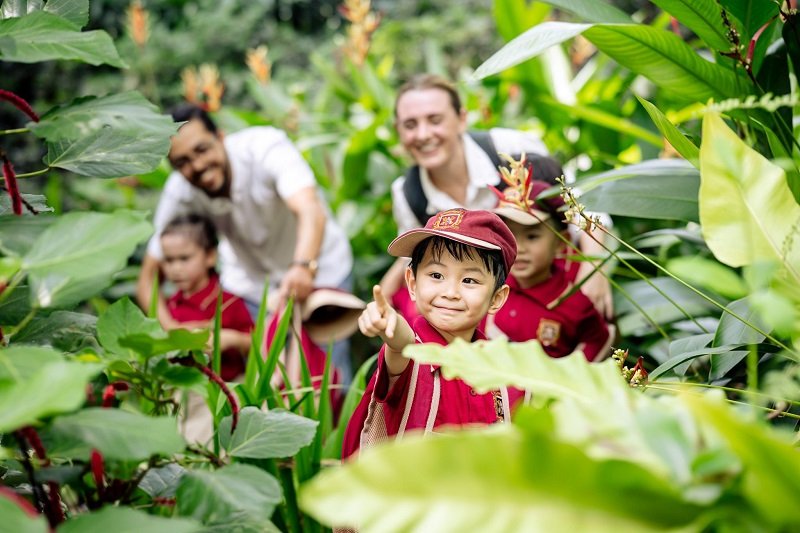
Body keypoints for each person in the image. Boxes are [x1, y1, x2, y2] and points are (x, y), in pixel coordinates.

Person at [136, 104, 355, 382]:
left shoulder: (264, 148)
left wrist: (302, 267)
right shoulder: (181, 190)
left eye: (202, 150)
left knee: (328, 377)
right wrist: (174, 336)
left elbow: (310, 210)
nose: (197, 166)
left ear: (221, 137)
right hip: (254, 288)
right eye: (182, 162)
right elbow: (147, 279)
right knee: (264, 379)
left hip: (319, 269)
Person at [381, 74, 613, 321]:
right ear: (399, 131)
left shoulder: (509, 149)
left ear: (461, 119)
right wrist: (380, 301)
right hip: (482, 303)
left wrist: (594, 273)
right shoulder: (408, 192)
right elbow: (412, 255)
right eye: (410, 125)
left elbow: (583, 211)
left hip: (547, 292)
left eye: (435, 120)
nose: (423, 134)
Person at [342, 208, 525, 459]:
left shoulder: (505, 372)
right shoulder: (411, 356)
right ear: (413, 284)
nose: (450, 292)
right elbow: (403, 344)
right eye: (436, 275)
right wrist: (390, 324)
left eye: (469, 280)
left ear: (496, 298)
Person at [487, 157, 611, 361]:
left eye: (532, 236)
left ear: (561, 245)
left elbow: (600, 338)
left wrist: (572, 376)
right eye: (508, 235)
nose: (519, 248)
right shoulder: (495, 286)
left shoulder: (575, 302)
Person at [159, 214, 253, 380]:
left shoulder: (229, 302)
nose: (175, 268)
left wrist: (231, 338)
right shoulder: (170, 306)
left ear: (210, 257)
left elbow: (257, 342)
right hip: (182, 389)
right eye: (169, 260)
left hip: (229, 388)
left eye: (184, 258)